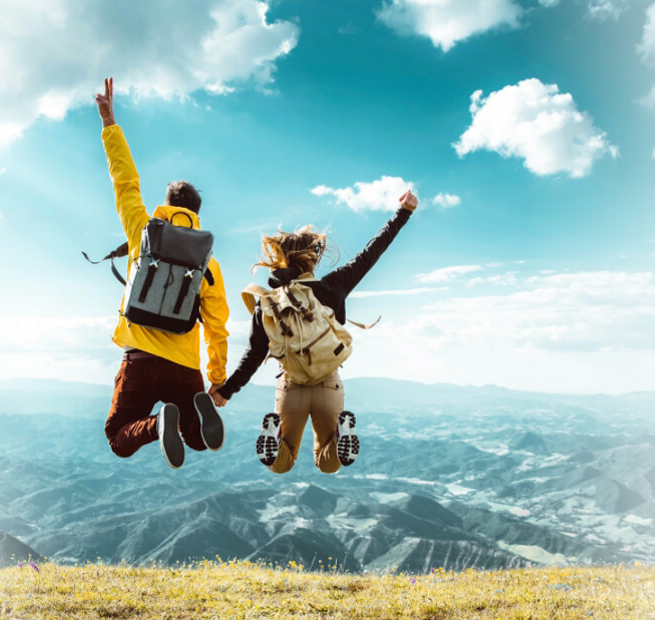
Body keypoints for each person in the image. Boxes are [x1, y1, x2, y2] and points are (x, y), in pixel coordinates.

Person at [211, 190, 419, 474]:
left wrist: (225, 392)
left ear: (278, 259)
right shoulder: (333, 285)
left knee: (281, 464)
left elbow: (253, 355)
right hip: (328, 386)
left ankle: (276, 440)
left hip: (291, 387)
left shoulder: (268, 304)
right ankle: (341, 437)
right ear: (312, 259)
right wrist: (402, 213)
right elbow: (372, 252)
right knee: (328, 463)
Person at [95, 77, 231, 470]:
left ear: (167, 205)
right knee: (197, 439)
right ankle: (191, 414)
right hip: (184, 366)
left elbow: (125, 183)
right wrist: (217, 378)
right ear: (196, 213)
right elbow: (218, 325)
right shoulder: (210, 263)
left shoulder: (143, 233)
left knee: (118, 436)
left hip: (138, 358)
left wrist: (110, 124)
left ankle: (156, 427)